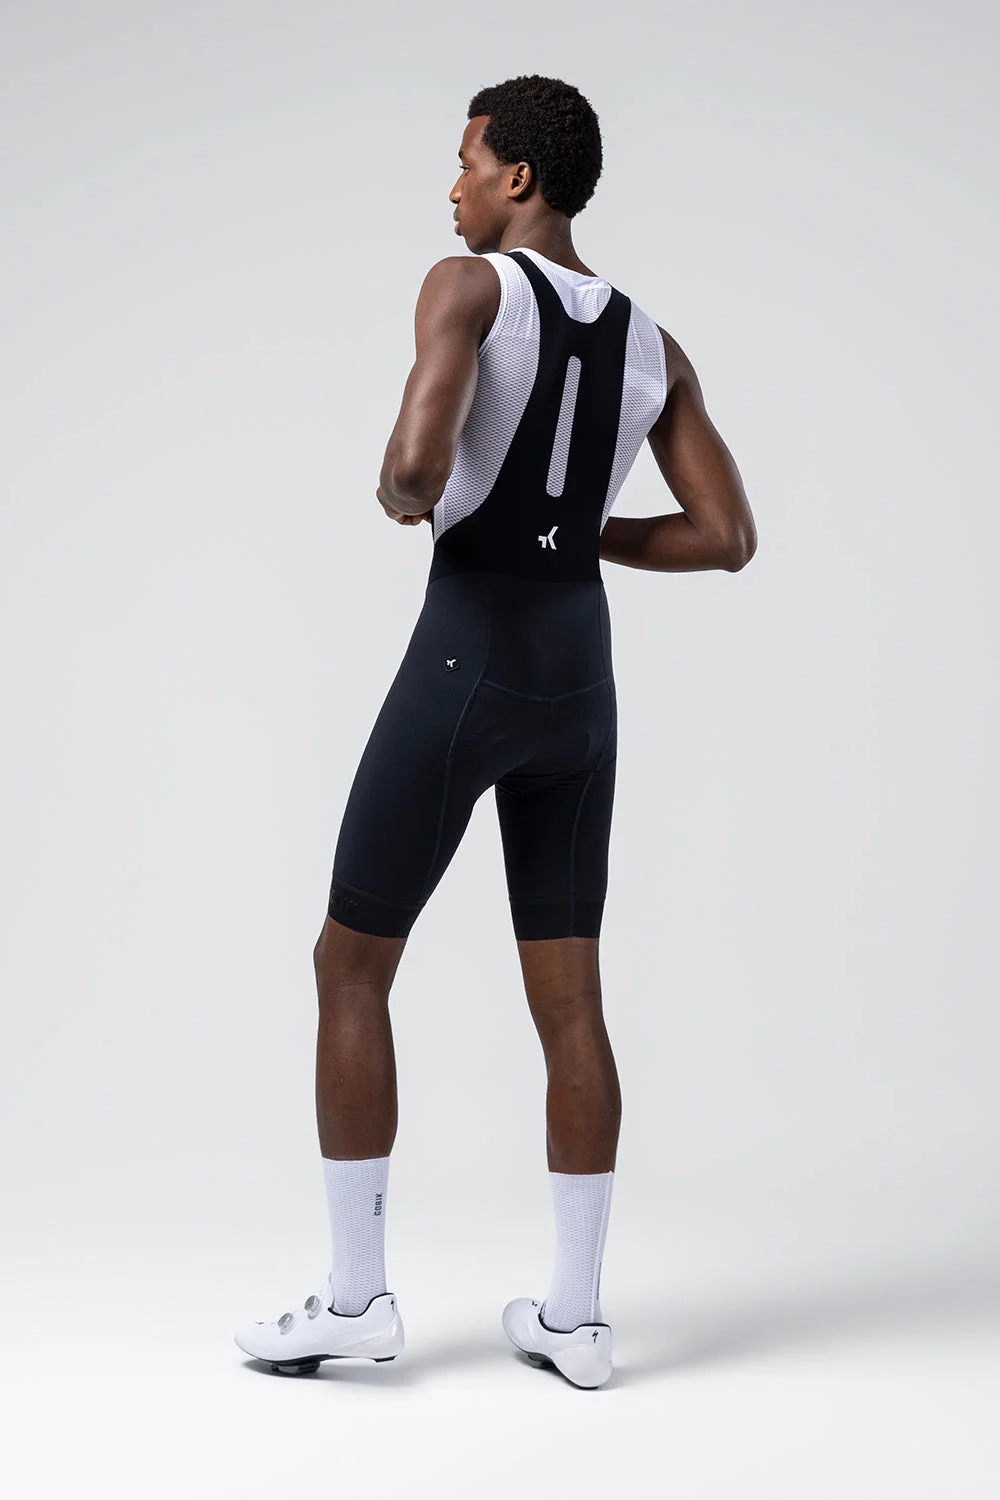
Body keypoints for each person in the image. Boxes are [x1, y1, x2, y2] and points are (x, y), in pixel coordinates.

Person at [234, 73, 756, 1389]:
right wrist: (579, 531)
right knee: (571, 1002)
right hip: (581, 680)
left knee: (350, 966)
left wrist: (403, 490)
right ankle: (576, 1321)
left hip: (467, 658)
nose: (454, 187)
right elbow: (725, 536)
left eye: (465, 162)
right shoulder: (654, 342)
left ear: (518, 176)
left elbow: (416, 470)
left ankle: (358, 1299)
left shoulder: (466, 286)